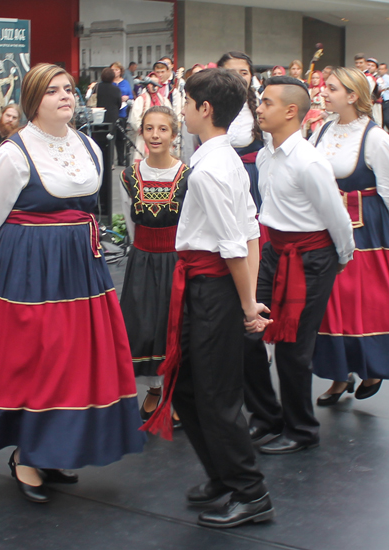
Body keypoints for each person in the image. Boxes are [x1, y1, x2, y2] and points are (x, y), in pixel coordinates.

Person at [0, 63, 145, 503]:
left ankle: (51, 449)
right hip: (31, 272)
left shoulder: (88, 146)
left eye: (69, 89)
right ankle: (27, 455)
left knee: (73, 358)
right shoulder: (13, 153)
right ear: (34, 99)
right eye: (53, 90)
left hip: (80, 270)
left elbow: (91, 207)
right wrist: (11, 259)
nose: (64, 96)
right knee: (37, 358)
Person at [142, 68, 274, 529]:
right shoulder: (224, 160)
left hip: (214, 289)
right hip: (209, 286)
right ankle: (223, 477)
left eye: (187, 101)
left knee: (215, 395)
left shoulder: (211, 169)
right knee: (195, 390)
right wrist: (249, 296)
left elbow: (237, 244)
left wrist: (246, 305)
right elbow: (251, 229)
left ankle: (250, 491)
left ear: (205, 110)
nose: (180, 109)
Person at [251, 76, 355, 455]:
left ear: (291, 111)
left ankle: (301, 429)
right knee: (248, 330)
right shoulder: (265, 154)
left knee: (293, 349)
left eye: (266, 102)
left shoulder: (310, 162)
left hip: (311, 257)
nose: (259, 108)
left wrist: (339, 259)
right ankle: (266, 416)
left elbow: (337, 219)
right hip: (274, 253)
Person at [311, 67, 389, 405]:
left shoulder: (377, 139)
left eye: (332, 89)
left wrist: (374, 218)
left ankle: (371, 367)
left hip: (365, 233)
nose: (324, 93)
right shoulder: (322, 130)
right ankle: (339, 375)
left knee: (364, 302)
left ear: (353, 96)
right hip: (326, 226)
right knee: (331, 302)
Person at [120, 106, 190, 428]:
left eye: (163, 129)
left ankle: (176, 391)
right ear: (142, 133)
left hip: (176, 261)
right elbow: (130, 222)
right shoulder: (129, 175)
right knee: (144, 326)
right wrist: (141, 252)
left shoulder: (188, 176)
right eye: (149, 129)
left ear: (174, 135)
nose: (155, 135)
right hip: (142, 260)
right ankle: (153, 388)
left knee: (173, 326)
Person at [217, 51, 264, 209]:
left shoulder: (261, 106)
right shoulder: (208, 105)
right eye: (231, 73)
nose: (237, 77)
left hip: (250, 176)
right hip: (217, 175)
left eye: (243, 73)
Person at [129, 73, 171, 161]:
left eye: (156, 83)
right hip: (144, 136)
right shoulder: (141, 99)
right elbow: (134, 118)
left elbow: (170, 116)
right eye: (151, 83)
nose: (153, 86)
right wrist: (143, 129)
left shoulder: (163, 100)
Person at [110, 62, 134, 166]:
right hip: (112, 112)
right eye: (113, 70)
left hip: (122, 112)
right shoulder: (109, 83)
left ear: (120, 71)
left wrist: (127, 97)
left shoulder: (125, 83)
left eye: (117, 70)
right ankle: (110, 160)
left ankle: (121, 158)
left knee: (121, 138)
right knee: (111, 137)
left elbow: (131, 95)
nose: (115, 72)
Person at [301, 70, 327, 137]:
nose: (315, 80)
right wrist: (312, 95)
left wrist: (316, 118)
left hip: (320, 119)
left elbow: (328, 109)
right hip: (307, 119)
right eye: (313, 78)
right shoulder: (308, 90)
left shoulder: (324, 90)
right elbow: (304, 105)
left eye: (317, 78)